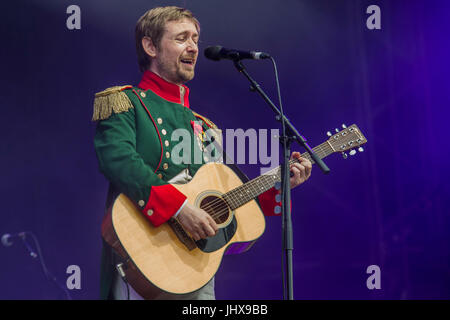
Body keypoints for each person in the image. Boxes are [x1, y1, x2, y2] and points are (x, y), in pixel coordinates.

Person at [93, 6, 312, 300]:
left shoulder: (204, 127)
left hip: (194, 268)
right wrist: (180, 209)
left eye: (195, 38)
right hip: (144, 257)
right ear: (150, 46)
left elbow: (231, 195)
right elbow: (118, 161)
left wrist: (280, 186)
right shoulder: (124, 103)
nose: (194, 47)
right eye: (182, 38)